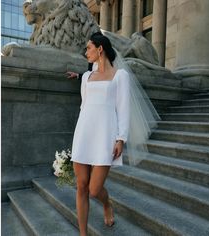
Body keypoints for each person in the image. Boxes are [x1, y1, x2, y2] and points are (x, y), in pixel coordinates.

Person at [71, 32, 130, 236]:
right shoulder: (86, 77)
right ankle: (83, 233)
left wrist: (121, 138)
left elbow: (123, 109)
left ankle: (106, 204)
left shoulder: (120, 76)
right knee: (81, 186)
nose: (85, 52)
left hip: (105, 136)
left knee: (95, 190)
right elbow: (84, 107)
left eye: (88, 48)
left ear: (100, 49)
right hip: (84, 133)